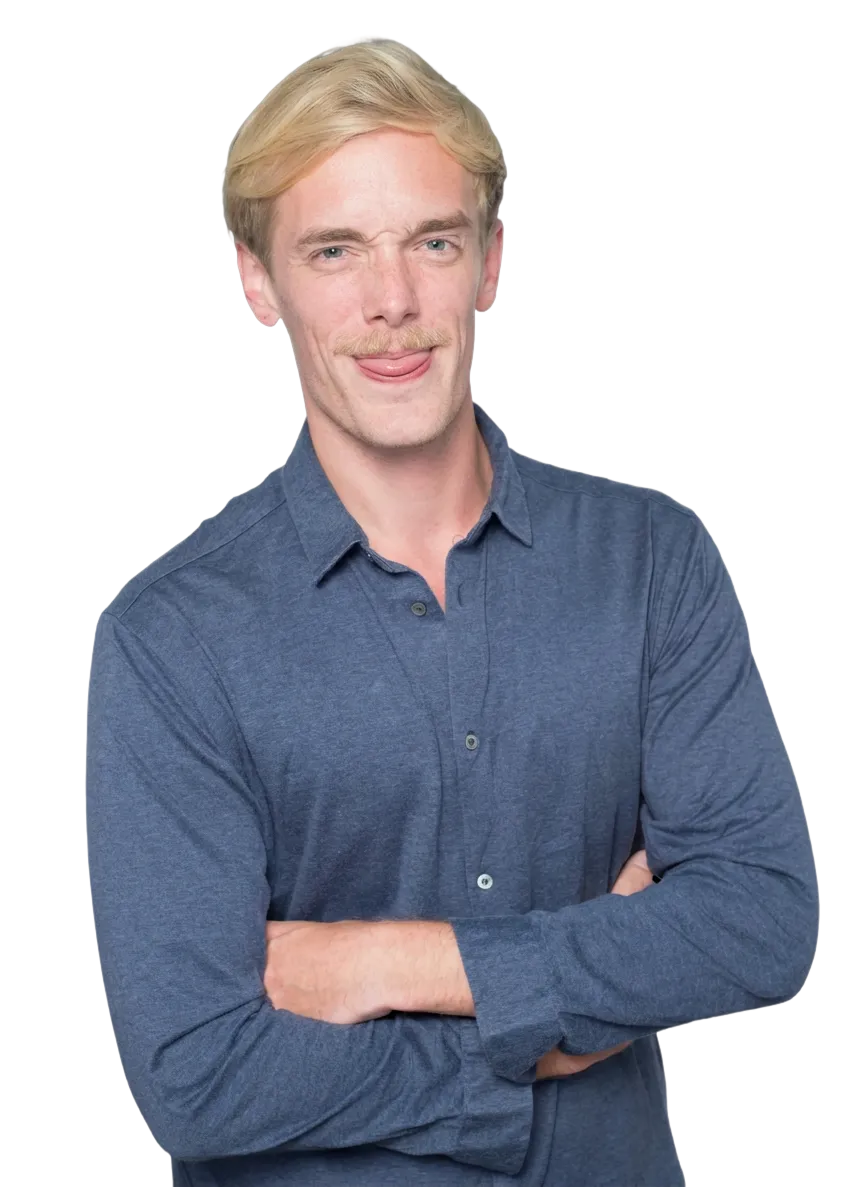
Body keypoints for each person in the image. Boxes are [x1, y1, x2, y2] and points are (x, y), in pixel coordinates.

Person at [85, 34, 819, 1187]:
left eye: (431, 241)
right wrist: (551, 1033)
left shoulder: (651, 559)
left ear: (488, 262)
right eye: (334, 251)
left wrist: (393, 961)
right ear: (259, 283)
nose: (392, 302)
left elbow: (761, 918)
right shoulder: (169, 636)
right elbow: (197, 1075)